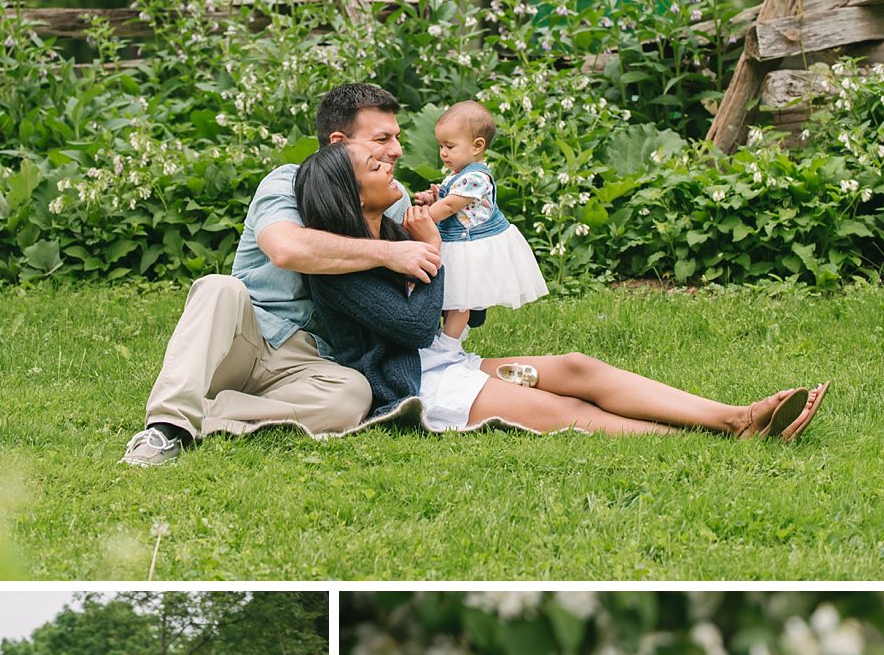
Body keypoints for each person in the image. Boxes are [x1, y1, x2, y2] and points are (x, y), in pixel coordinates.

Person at [291, 124, 830, 440]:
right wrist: (433, 250)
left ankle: (733, 416)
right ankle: (727, 432)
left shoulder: (391, 228)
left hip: (444, 360)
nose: (390, 163)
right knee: (570, 414)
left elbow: (443, 309)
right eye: (373, 164)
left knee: (576, 367)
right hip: (412, 384)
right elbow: (410, 326)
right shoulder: (337, 267)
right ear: (349, 193)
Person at [120, 81, 442, 466]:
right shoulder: (285, 182)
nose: (397, 150)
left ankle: (210, 416)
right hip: (245, 338)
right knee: (219, 288)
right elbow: (286, 248)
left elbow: (410, 286)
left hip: (312, 362)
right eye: (382, 138)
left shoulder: (393, 197)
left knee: (354, 394)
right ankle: (165, 428)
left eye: (398, 136)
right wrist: (390, 252)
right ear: (339, 141)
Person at [411, 99, 549, 350]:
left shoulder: (476, 177)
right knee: (452, 297)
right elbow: (448, 197)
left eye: (449, 146)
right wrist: (433, 197)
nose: (443, 153)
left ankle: (449, 344)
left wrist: (425, 216)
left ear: (477, 146)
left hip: (472, 247)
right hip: (460, 242)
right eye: (441, 145)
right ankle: (449, 337)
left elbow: (451, 206)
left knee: (462, 299)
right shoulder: (458, 173)